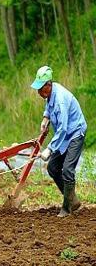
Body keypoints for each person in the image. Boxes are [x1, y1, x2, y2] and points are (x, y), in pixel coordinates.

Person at [31, 66, 87, 217]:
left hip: (75, 134)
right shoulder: (50, 95)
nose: (39, 93)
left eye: (41, 89)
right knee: (53, 168)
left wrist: (49, 149)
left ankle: (67, 208)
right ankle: (72, 200)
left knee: (68, 169)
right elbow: (49, 108)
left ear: (49, 85)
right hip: (64, 136)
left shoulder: (61, 99)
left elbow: (62, 128)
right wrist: (45, 118)